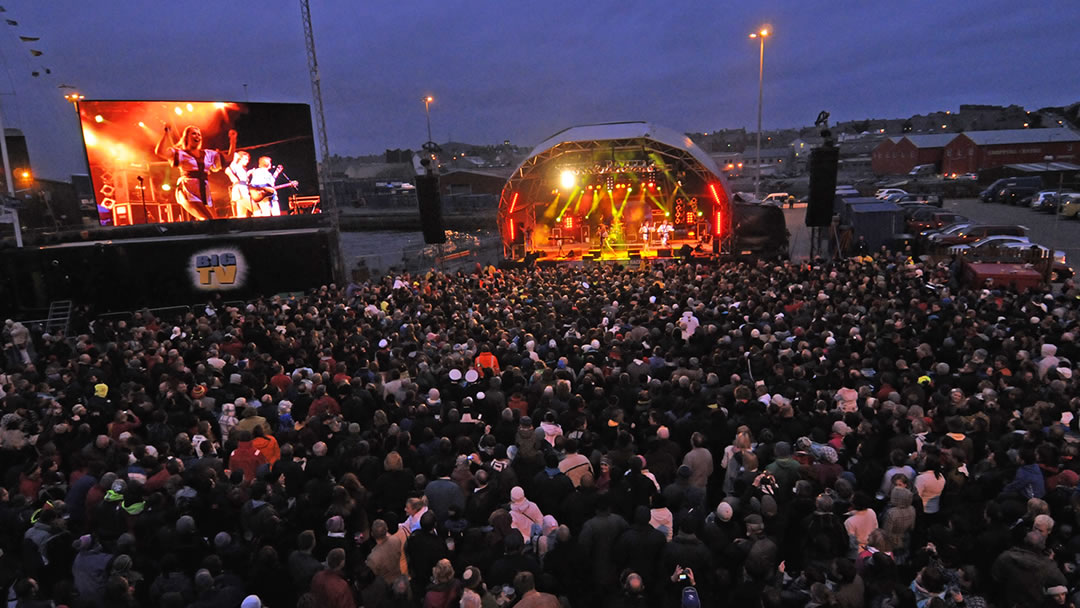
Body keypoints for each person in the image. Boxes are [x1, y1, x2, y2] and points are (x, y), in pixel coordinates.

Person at [154, 124, 236, 220]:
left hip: (204, 191)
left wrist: (233, 141)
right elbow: (160, 152)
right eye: (193, 134)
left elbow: (228, 159)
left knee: (214, 220)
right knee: (209, 219)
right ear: (186, 137)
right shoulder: (180, 153)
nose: (197, 136)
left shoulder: (208, 154)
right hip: (188, 190)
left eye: (199, 134)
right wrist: (166, 133)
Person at [226, 150, 254, 218]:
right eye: (245, 159)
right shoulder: (236, 165)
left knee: (241, 215)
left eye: (248, 159)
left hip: (242, 191)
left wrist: (248, 173)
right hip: (240, 191)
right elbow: (228, 170)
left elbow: (243, 179)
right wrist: (235, 158)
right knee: (257, 210)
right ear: (240, 159)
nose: (247, 161)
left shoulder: (242, 169)